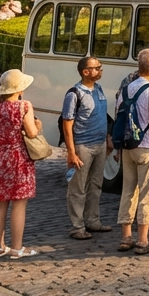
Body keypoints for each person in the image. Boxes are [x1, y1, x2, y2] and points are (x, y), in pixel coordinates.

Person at [116, 53, 149, 254]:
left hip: (128, 146)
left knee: (128, 191)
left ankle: (126, 237)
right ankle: (143, 240)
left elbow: (119, 116)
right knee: (148, 192)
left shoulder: (126, 89)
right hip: (147, 146)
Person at [0, 69, 41, 258]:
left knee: (0, 203)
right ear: (19, 88)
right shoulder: (23, 106)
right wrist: (37, 125)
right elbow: (32, 132)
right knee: (19, 203)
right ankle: (17, 247)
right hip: (18, 156)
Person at [63, 56, 112, 241]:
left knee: (95, 185)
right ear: (85, 72)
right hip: (82, 145)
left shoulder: (98, 89)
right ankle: (77, 226)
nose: (100, 70)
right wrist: (71, 151)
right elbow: (67, 124)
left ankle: (93, 221)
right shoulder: (74, 93)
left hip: (99, 144)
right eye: (96, 67)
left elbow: (101, 115)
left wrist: (107, 137)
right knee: (78, 188)